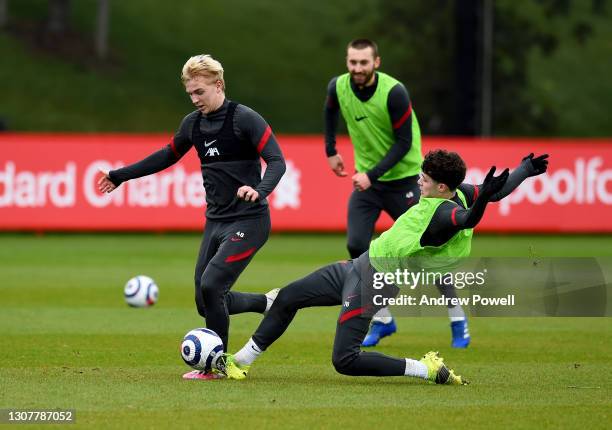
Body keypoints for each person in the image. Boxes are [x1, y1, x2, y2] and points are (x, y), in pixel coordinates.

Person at [219, 150, 549, 383]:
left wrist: (480, 205)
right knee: (289, 297)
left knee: (344, 361)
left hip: (375, 282)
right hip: (361, 264)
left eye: (425, 178)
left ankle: (426, 369)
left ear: (442, 187)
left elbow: (466, 220)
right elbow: (498, 190)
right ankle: (239, 362)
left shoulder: (446, 213)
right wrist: (524, 169)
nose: (419, 181)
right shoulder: (461, 191)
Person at [97, 54, 286, 379]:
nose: (195, 99)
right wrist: (120, 175)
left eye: (200, 92)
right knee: (205, 300)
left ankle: (217, 366)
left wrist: (259, 189)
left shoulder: (245, 119)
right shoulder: (193, 124)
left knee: (213, 286)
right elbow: (165, 156)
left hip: (249, 220)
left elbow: (277, 161)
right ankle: (267, 302)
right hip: (216, 221)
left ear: (219, 85)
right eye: (190, 94)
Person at [325, 39, 468, 347]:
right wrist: (330, 150)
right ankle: (383, 320)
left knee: (429, 253)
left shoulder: (394, 92)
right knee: (356, 244)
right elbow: (330, 112)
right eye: (352, 62)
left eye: (364, 62)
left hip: (405, 181)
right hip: (368, 182)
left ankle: (458, 318)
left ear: (376, 62)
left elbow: (403, 143)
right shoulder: (338, 86)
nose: (357, 68)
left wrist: (371, 175)